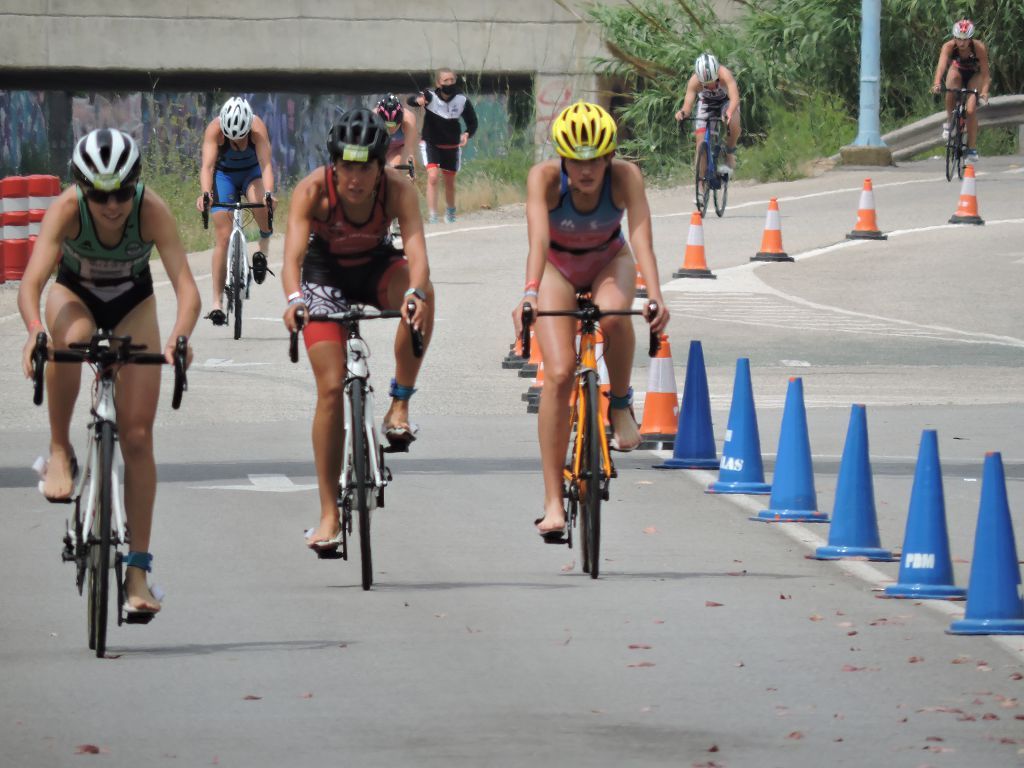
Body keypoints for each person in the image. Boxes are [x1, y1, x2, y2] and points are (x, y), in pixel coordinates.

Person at [18, 128, 200, 616]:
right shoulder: (66, 208)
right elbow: (32, 282)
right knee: (70, 344)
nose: (113, 205)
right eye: (100, 195)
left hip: (131, 303)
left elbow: (187, 287)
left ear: (135, 185)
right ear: (83, 188)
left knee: (138, 437)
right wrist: (35, 329)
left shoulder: (151, 209)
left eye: (122, 192)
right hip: (74, 294)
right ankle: (60, 450)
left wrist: (180, 337)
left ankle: (137, 574)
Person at [511, 101, 669, 540]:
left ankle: (619, 404)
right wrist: (527, 294)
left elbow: (641, 242)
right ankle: (551, 503)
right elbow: (538, 241)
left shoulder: (626, 178)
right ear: (563, 158)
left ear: (608, 157)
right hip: (557, 269)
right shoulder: (543, 180)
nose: (586, 171)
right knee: (559, 373)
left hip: (607, 260)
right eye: (577, 161)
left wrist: (655, 296)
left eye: (596, 160)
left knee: (617, 315)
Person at [280, 108, 434, 551]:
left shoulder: (398, 189)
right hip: (323, 275)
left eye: (364, 166)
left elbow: (418, 255)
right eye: (346, 165)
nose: (355, 177)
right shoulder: (313, 191)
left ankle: (399, 406)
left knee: (425, 294)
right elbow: (290, 259)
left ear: (379, 163)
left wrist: (415, 295)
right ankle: (329, 513)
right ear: (334, 163)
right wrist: (294, 301)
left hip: (375, 268)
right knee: (330, 391)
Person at [195, 96, 275, 325]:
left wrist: (268, 193)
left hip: (251, 173)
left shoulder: (257, 128)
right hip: (224, 176)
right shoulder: (214, 130)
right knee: (222, 236)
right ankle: (217, 303)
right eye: (233, 138)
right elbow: (208, 167)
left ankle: (263, 248)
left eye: (241, 137)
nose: (238, 142)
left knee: (261, 204)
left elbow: (266, 164)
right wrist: (206, 194)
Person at [407, 68, 477, 223]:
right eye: (446, 80)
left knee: (449, 182)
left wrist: (466, 134)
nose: (449, 83)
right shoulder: (430, 96)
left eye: (452, 80)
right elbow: (411, 100)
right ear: (439, 82)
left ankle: (450, 211)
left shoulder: (462, 100)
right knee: (433, 177)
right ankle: (432, 215)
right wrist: (417, 101)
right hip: (431, 143)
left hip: (451, 145)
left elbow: (472, 123)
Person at [931, 19, 990, 162]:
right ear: (954, 37)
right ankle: (950, 122)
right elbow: (941, 66)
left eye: (965, 39)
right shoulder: (949, 47)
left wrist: (984, 92)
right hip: (957, 71)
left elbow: (985, 74)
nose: (961, 43)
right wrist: (937, 83)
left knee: (970, 110)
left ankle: (971, 148)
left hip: (974, 75)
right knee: (951, 87)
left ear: (970, 39)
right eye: (958, 39)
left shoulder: (979, 48)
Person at [674, 53, 742, 175]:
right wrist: (682, 113)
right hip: (707, 104)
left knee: (734, 122)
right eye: (706, 83)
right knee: (700, 144)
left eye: (713, 81)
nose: (710, 86)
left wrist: (729, 112)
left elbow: (735, 99)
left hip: (726, 102)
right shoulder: (694, 81)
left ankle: (729, 153)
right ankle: (701, 183)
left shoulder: (725, 74)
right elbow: (687, 106)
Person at [375, 93, 419, 172]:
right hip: (379, 149)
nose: (390, 130)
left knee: (392, 172)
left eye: (394, 127)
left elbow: (409, 150)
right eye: (387, 127)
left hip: (397, 150)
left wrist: (411, 173)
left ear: (401, 120)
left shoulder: (408, 119)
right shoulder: (372, 117)